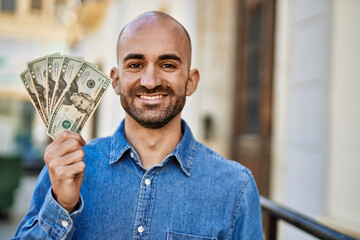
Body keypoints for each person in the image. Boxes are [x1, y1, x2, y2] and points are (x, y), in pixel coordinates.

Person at [13, 11, 263, 239]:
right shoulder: (66, 166)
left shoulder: (235, 187)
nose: (150, 80)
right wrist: (61, 206)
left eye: (168, 65)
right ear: (116, 80)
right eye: (135, 65)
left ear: (191, 81)